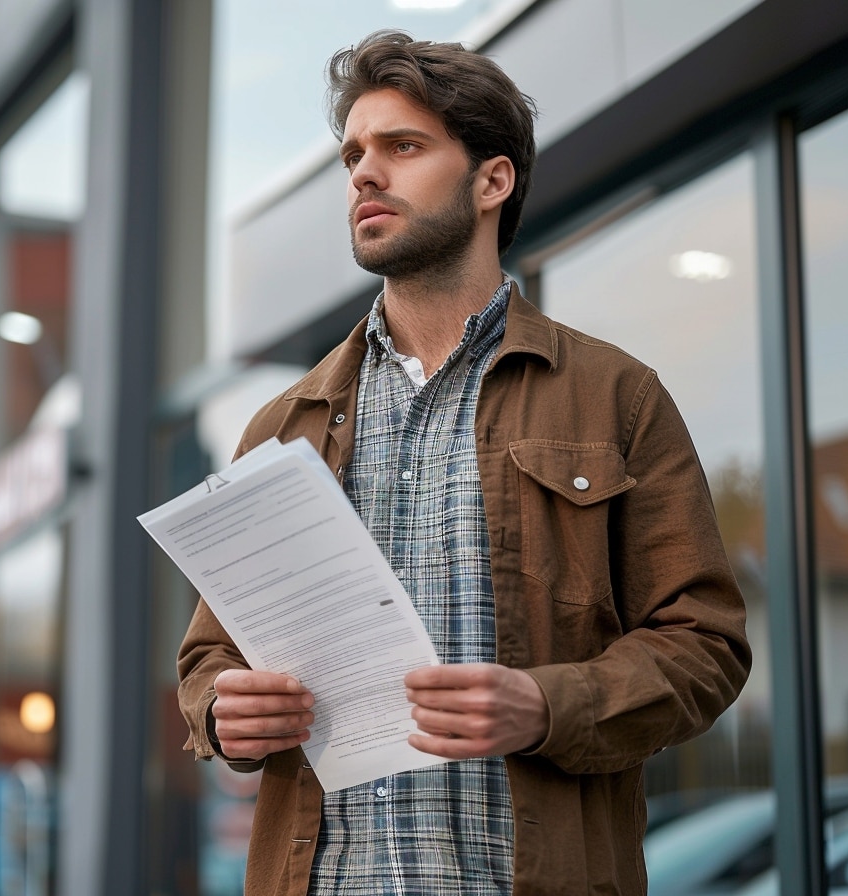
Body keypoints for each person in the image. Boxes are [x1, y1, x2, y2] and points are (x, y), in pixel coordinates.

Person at [176, 29, 751, 896]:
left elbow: (705, 646)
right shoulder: (281, 427)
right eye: (354, 154)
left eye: (402, 147)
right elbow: (209, 658)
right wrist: (225, 710)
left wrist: (548, 705)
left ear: (492, 180)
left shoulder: (615, 397)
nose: (365, 173)